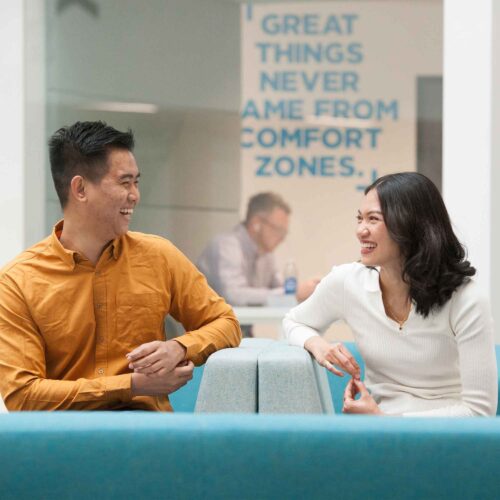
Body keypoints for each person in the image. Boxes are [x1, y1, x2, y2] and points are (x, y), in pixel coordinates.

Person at [0, 121, 241, 411]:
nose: (135, 195)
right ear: (80, 189)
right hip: (63, 435)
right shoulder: (17, 282)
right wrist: (132, 386)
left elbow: (226, 323)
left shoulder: (159, 256)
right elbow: (23, 395)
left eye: (136, 182)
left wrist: (179, 348)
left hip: (148, 432)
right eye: (125, 182)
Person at [284, 172, 497, 416]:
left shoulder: (466, 299)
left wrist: (387, 421)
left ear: (411, 225)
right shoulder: (347, 281)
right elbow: (293, 321)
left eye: (373, 219)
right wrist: (319, 345)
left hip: (444, 435)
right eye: (360, 218)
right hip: (375, 432)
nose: (360, 231)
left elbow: (480, 411)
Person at [197, 192, 318, 307]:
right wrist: (291, 294)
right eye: (278, 230)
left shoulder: (266, 254)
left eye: (284, 233)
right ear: (256, 223)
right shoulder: (226, 246)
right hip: (204, 321)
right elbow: (234, 295)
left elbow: (279, 289)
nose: (282, 238)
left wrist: (307, 291)